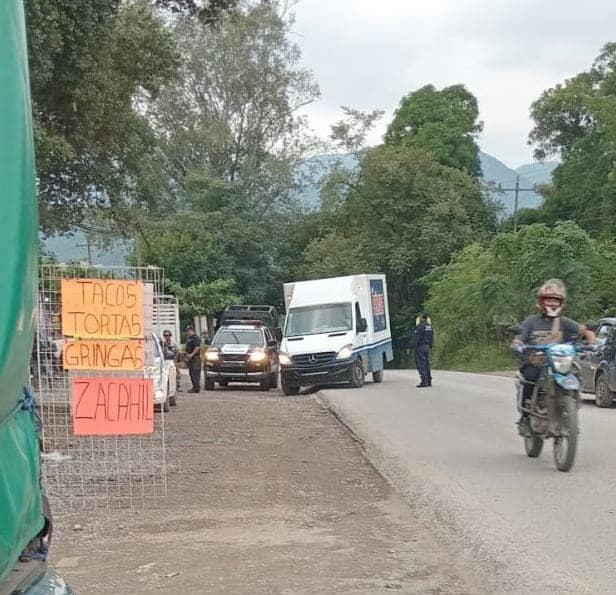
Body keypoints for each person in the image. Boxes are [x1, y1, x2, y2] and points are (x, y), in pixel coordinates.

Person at [511, 279, 596, 436]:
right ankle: (525, 417)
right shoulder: (531, 321)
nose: (552, 303)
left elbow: (584, 330)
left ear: (561, 303)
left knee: (576, 374)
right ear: (541, 302)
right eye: (549, 299)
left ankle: (570, 412)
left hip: (560, 363)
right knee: (529, 377)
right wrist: (518, 343)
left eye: (556, 300)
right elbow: (520, 337)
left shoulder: (564, 322)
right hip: (536, 363)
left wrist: (593, 341)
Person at [412, 312, 434, 388]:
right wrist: (430, 345)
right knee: (427, 363)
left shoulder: (420, 326)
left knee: (421, 364)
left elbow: (416, 337)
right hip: (427, 347)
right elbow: (431, 337)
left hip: (420, 347)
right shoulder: (429, 326)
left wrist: (412, 346)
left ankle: (424, 381)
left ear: (421, 318)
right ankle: (429, 381)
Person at [184, 325, 201, 393]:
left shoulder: (195, 338)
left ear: (192, 330)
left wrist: (191, 354)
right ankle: (194, 387)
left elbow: (197, 347)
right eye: (187, 331)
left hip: (195, 358)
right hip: (190, 358)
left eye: (188, 331)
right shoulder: (189, 338)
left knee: (195, 373)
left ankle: (196, 388)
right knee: (191, 373)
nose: (187, 332)